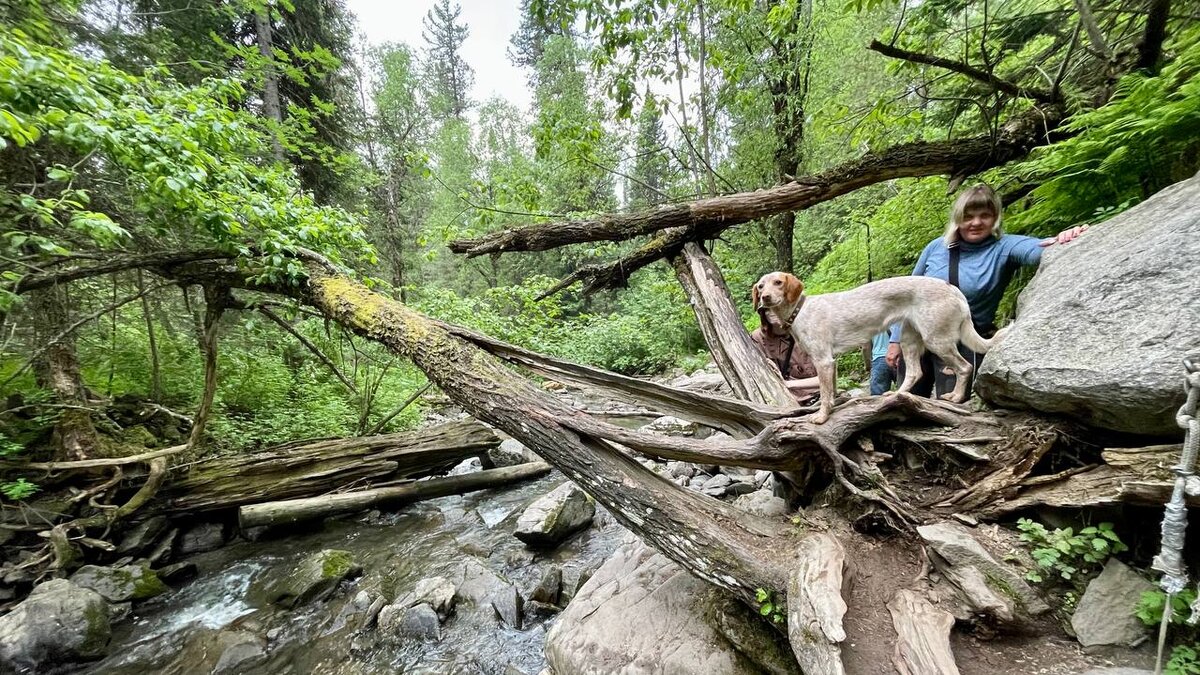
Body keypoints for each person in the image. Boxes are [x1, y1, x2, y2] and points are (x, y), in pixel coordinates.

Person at [884, 183, 1087, 398]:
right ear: (957, 218)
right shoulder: (936, 247)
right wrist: (895, 341)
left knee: (951, 409)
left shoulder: (1004, 247)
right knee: (905, 404)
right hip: (916, 337)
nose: (976, 222)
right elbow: (906, 298)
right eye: (968, 216)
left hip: (964, 340)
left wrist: (1067, 238)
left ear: (996, 218)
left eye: (985, 215)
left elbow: (1040, 250)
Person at [750, 307, 820, 405]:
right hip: (783, 396)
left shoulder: (809, 331)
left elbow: (827, 377)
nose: (774, 312)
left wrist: (788, 384)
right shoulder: (758, 337)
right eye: (768, 309)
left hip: (817, 394)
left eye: (779, 307)